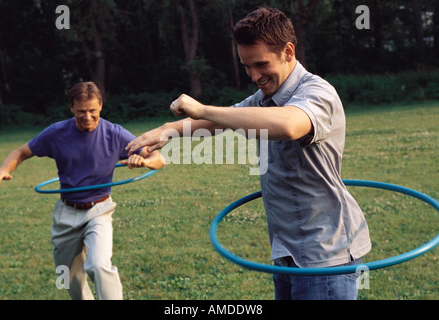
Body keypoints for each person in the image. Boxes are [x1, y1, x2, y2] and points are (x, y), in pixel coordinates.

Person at [126, 7, 371, 300]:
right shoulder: (264, 98)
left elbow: (290, 124)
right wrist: (168, 130)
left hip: (325, 253)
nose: (254, 76)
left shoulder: (318, 92)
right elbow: (224, 119)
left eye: (261, 64)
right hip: (287, 251)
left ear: (288, 51)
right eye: (246, 67)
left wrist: (202, 107)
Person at [0, 81, 165, 300]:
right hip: (66, 212)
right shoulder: (56, 133)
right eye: (81, 111)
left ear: (100, 105)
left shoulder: (115, 133)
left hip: (99, 208)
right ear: (72, 108)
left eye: (93, 111)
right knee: (66, 276)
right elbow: (21, 152)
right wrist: (4, 169)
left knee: (99, 265)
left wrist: (145, 162)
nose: (87, 117)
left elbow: (157, 158)